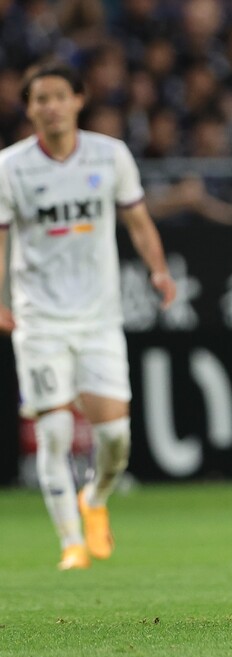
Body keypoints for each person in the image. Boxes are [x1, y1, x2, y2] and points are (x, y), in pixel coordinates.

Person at [0, 62, 176, 570]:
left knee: (115, 440)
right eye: (40, 99)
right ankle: (70, 543)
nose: (51, 106)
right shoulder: (10, 167)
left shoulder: (110, 154)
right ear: (29, 108)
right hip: (39, 318)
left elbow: (138, 220)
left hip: (99, 316)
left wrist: (159, 270)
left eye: (60, 96)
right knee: (54, 431)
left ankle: (94, 498)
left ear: (78, 100)